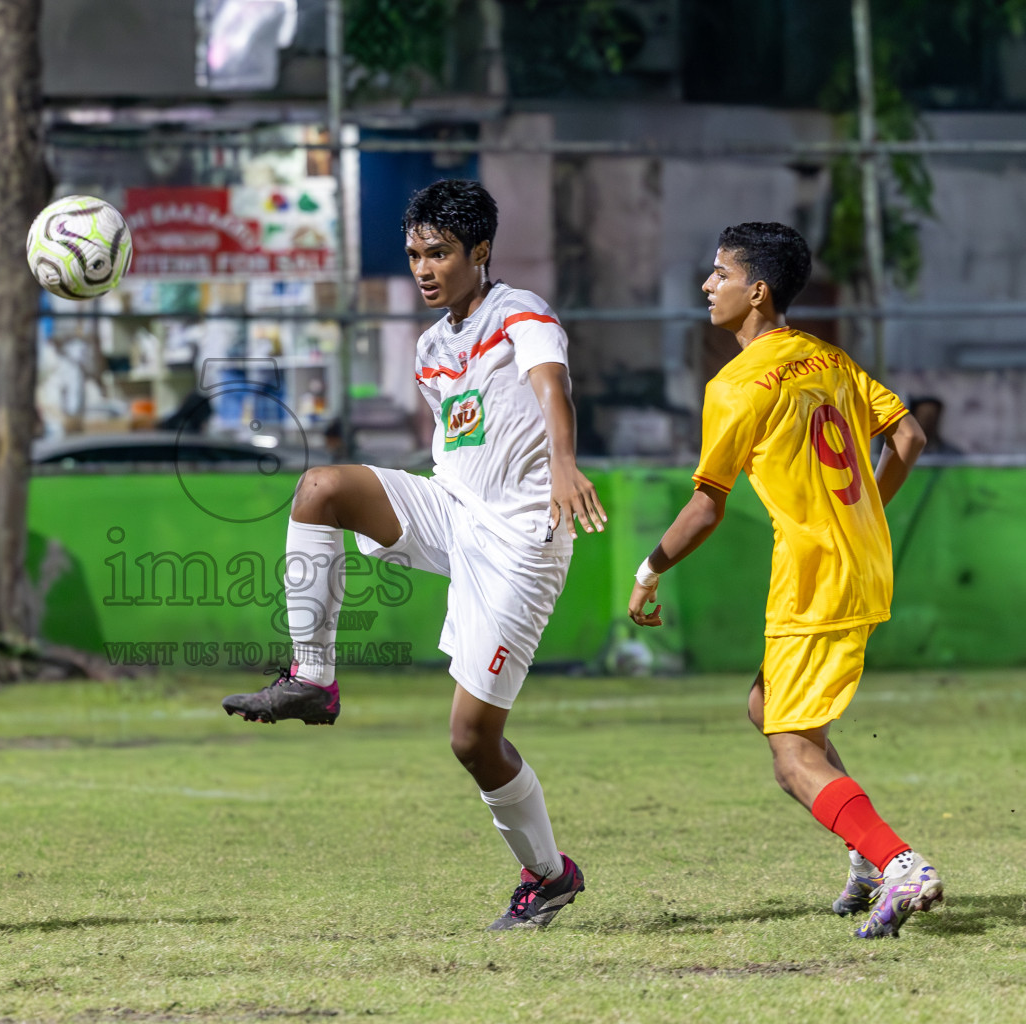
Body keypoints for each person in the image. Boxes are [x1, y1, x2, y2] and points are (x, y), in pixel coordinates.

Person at [222, 179, 607, 930]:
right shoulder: (432, 346)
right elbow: (465, 438)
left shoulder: (519, 312)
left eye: (439, 254)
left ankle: (549, 876)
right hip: (453, 510)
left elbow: (549, 382)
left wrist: (563, 459)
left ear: (480, 253)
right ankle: (312, 676)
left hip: (521, 538)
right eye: (414, 255)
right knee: (322, 487)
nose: (424, 269)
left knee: (472, 739)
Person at [626, 223, 937, 939]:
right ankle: (865, 854)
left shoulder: (734, 385)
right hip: (864, 558)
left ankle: (898, 863)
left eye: (719, 273)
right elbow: (909, 438)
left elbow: (706, 507)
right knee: (767, 706)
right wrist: (859, 516)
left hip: (814, 575)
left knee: (792, 755)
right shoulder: (828, 357)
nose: (707, 286)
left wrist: (649, 571)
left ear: (756, 291)